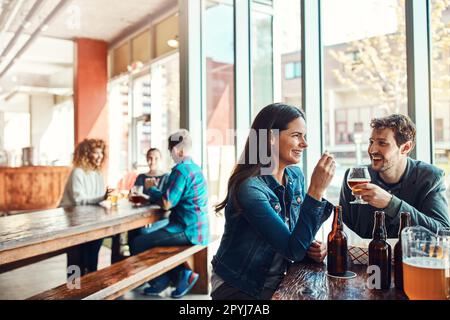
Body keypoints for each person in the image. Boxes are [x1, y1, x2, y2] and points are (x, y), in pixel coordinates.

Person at [211, 103, 335, 300]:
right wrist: (316, 191)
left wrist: (310, 248)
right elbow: (291, 249)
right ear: (270, 138)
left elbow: (294, 239)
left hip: (278, 279)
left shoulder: (295, 176)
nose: (304, 143)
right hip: (239, 285)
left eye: (305, 136)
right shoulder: (250, 188)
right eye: (296, 135)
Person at [340, 114, 450, 238]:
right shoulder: (354, 177)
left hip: (410, 257)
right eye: (371, 142)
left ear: (405, 148)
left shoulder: (430, 178)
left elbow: (443, 231)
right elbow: (341, 229)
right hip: (364, 256)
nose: (372, 150)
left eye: (382, 143)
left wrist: (391, 204)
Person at [129, 129, 209, 299]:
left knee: (138, 242)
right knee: (148, 236)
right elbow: (175, 198)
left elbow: (167, 203)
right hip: (200, 227)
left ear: (175, 150)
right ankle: (170, 277)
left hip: (187, 229)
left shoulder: (180, 170)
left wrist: (151, 189)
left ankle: (170, 278)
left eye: (170, 151)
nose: (171, 156)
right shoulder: (195, 168)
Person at [60, 138, 112, 275]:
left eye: (101, 153)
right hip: (74, 221)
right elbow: (79, 200)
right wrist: (102, 198)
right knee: (75, 260)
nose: (100, 156)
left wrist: (106, 199)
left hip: (91, 220)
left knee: (92, 256)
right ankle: (73, 291)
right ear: (86, 154)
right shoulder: (77, 172)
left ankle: (89, 289)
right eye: (96, 153)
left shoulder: (98, 173)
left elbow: (99, 198)